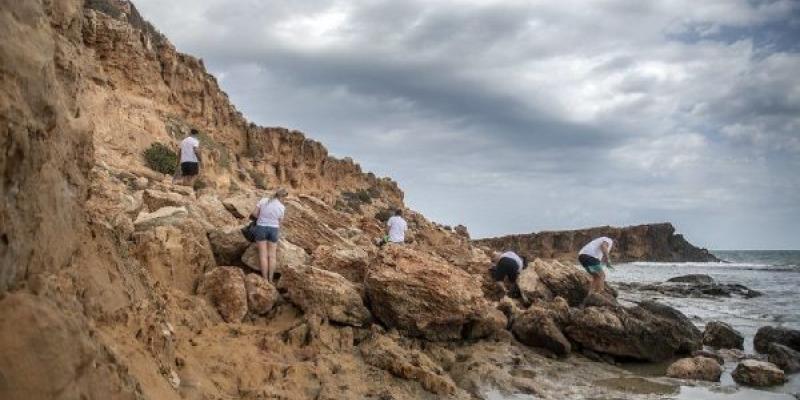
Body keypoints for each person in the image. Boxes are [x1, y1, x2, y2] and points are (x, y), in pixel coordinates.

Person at [250, 188, 288, 283]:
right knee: (272, 256)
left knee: (263, 255)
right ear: (282, 197)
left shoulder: (263, 200)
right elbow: (280, 222)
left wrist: (262, 218)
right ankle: (271, 279)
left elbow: (254, 214)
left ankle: (265, 279)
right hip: (273, 229)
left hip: (261, 228)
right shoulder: (282, 207)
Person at [578, 236, 614, 300]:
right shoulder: (609, 240)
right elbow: (603, 246)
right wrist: (608, 259)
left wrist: (606, 263)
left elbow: (600, 259)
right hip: (590, 256)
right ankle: (599, 295)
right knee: (602, 275)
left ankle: (589, 296)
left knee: (596, 277)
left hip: (582, 256)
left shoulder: (599, 240)